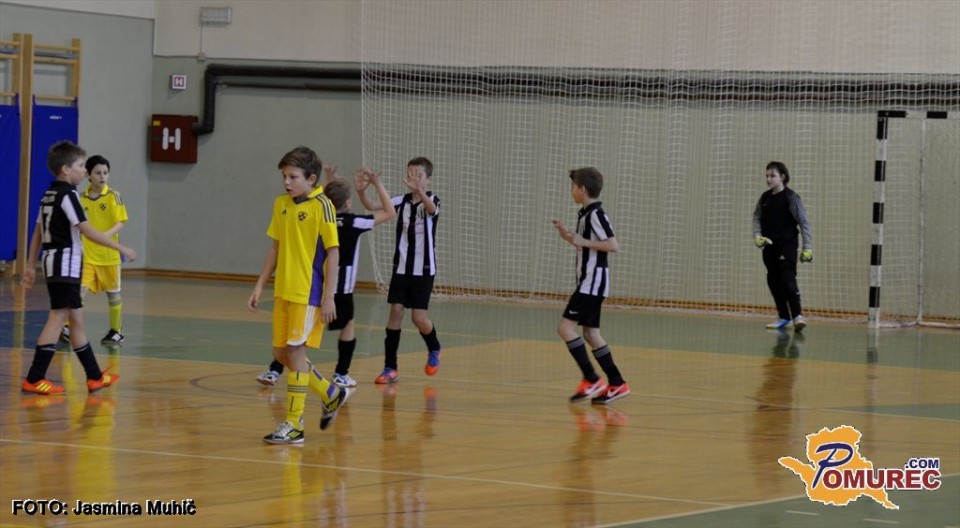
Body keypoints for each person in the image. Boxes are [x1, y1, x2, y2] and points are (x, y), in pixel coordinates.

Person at [255, 167, 396, 388]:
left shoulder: (318, 214)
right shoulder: (353, 222)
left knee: (293, 337)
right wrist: (375, 184)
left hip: (314, 283)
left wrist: (329, 181)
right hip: (340, 288)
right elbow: (389, 212)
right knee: (345, 327)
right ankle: (341, 374)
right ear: (347, 202)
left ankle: (275, 369)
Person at [247, 146, 350, 444]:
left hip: (309, 293)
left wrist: (329, 297)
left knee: (294, 353)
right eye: (284, 176)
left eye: (293, 177)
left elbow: (333, 253)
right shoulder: (281, 204)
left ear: (311, 178)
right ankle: (330, 393)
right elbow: (275, 247)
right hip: (284, 291)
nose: (287, 182)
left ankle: (294, 424)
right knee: (282, 354)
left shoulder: (323, 206)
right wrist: (260, 285)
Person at [21, 141, 137, 395]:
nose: (85, 171)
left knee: (76, 321)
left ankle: (94, 377)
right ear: (65, 169)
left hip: (54, 262)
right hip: (65, 264)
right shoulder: (69, 195)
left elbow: (38, 231)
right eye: (81, 166)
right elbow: (86, 230)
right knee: (58, 319)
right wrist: (120, 248)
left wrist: (30, 264)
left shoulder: (49, 195)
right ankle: (35, 377)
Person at [357, 157, 441, 384]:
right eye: (410, 174)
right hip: (402, 268)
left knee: (418, 318)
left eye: (418, 175)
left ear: (428, 180)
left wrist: (420, 191)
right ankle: (390, 367)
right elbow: (372, 206)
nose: (413, 178)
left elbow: (432, 209)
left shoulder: (432, 200)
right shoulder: (400, 201)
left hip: (424, 270)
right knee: (395, 311)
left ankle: (434, 347)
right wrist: (364, 190)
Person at [552, 167, 629, 404]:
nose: (571, 191)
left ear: (582, 189)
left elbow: (613, 245)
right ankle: (616, 383)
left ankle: (592, 379)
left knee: (566, 329)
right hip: (591, 283)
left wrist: (582, 241)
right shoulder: (586, 214)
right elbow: (586, 243)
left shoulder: (596, 214)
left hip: (591, 283)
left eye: (573, 187)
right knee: (591, 334)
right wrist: (568, 235)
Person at [752, 161, 813, 331]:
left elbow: (803, 222)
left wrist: (807, 248)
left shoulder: (791, 197)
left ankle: (797, 316)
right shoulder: (765, 198)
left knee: (787, 279)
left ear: (782, 177)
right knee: (773, 280)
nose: (768, 179)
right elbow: (756, 218)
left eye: (772, 176)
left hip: (787, 246)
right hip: (769, 248)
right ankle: (784, 316)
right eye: (767, 176)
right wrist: (757, 236)